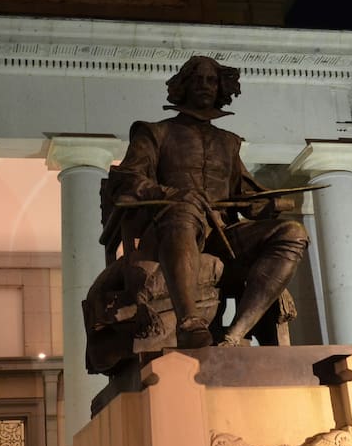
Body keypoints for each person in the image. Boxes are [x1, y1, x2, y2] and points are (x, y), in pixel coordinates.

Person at [104, 56, 309, 348]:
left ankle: (235, 333)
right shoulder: (154, 132)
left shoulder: (229, 142)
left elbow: (244, 193)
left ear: (220, 87)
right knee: (183, 211)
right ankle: (190, 323)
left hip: (222, 236)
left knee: (293, 233)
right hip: (168, 233)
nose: (204, 85)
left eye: (211, 80)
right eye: (197, 79)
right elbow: (126, 180)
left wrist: (262, 205)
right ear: (183, 86)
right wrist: (173, 194)